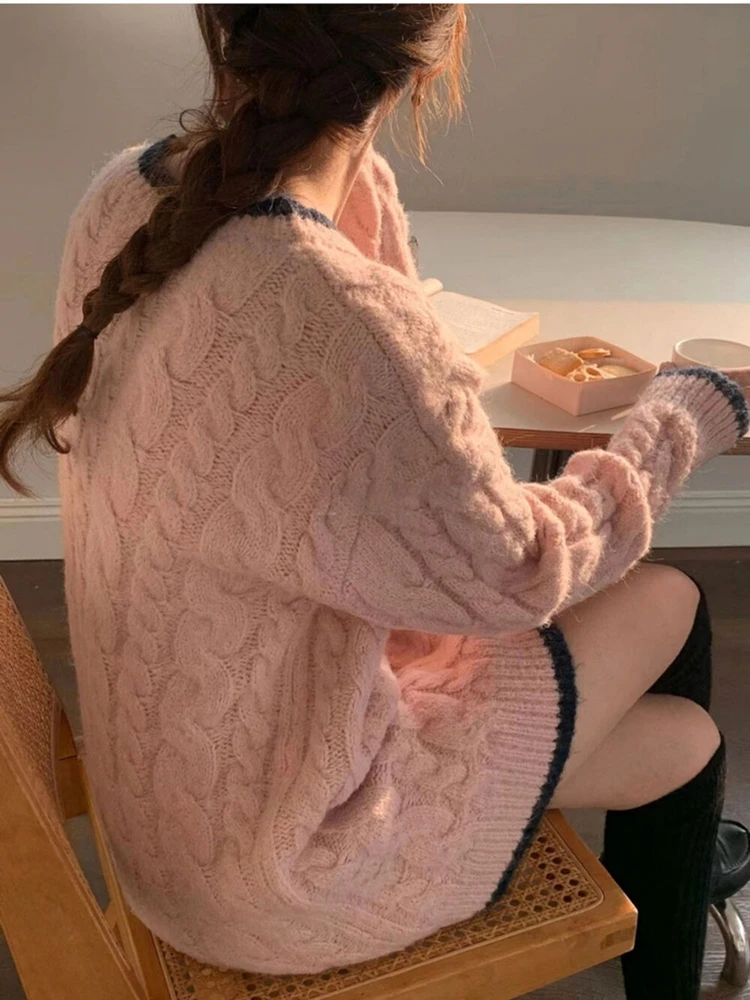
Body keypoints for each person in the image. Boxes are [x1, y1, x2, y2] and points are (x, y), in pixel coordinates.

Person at [1, 5, 749, 997]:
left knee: (676, 694)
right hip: (285, 872)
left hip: (170, 814)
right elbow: (518, 575)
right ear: (431, 59)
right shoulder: (337, 314)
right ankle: (675, 896)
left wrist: (358, 201)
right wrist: (687, 412)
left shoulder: (122, 198)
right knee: (681, 667)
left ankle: (670, 856)